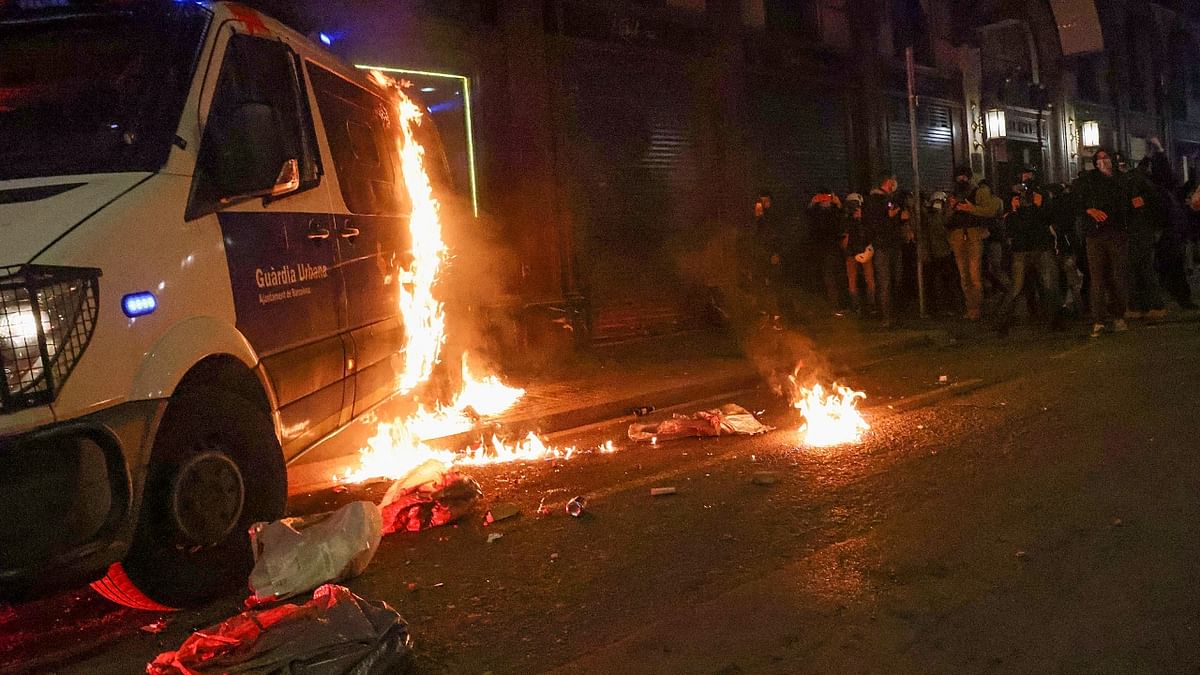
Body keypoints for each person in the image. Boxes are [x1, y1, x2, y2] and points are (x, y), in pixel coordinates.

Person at [994, 167, 1062, 334]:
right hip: (1021, 248)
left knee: (1050, 285)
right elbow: (1008, 225)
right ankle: (1002, 322)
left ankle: (1054, 320)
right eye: (1023, 177)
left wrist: (1041, 206)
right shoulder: (1011, 198)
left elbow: (1052, 218)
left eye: (1030, 176)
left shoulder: (1043, 195)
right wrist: (1013, 210)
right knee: (1017, 287)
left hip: (1042, 245)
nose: (1026, 180)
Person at [1073, 148, 1130, 337]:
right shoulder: (1089, 179)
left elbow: (1127, 203)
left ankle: (1118, 315)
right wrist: (1090, 210)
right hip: (1095, 235)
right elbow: (1078, 201)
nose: (1102, 162)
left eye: (1106, 158)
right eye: (1099, 158)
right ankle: (1098, 319)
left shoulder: (1121, 180)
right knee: (1097, 278)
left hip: (1117, 233)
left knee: (1118, 276)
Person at [947, 165, 1002, 320]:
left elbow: (990, 211)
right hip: (958, 236)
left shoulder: (979, 192)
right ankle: (970, 306)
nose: (961, 179)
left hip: (973, 234)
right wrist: (951, 208)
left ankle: (976, 308)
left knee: (974, 274)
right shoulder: (953, 195)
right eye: (959, 176)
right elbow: (945, 219)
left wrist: (970, 209)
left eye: (964, 176)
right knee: (964, 275)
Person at [863, 173, 913, 328]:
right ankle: (886, 316)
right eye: (893, 181)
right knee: (884, 281)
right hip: (883, 246)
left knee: (893, 280)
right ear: (888, 182)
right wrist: (890, 217)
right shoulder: (874, 201)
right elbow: (874, 224)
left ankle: (892, 315)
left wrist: (899, 219)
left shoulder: (889, 200)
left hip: (892, 244)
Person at [1124, 157, 1167, 319]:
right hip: (1144, 231)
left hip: (1137, 231)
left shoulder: (1134, 183)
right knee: (1144, 269)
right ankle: (1151, 305)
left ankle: (1142, 305)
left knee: (1137, 269)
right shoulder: (1148, 184)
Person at [920, 191, 961, 316]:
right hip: (934, 253)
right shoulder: (929, 216)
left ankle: (949, 307)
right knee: (933, 283)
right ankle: (935, 308)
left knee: (947, 282)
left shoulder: (945, 215)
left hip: (943, 252)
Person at [808, 189, 846, 315]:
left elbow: (843, 221)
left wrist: (839, 204)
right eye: (822, 197)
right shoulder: (816, 212)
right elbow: (809, 220)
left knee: (836, 276)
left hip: (834, 248)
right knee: (825, 277)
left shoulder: (835, 211)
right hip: (820, 249)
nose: (825, 199)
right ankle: (830, 305)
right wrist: (812, 204)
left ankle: (837, 304)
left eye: (827, 197)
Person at [841, 192, 875, 316]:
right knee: (853, 282)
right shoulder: (846, 221)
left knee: (869, 280)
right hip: (851, 253)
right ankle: (856, 307)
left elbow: (870, 234)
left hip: (865, 252)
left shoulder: (865, 220)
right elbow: (844, 240)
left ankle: (871, 306)